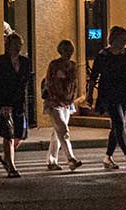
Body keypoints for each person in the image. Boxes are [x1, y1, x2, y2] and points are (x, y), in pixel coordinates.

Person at [89, 26, 126, 170]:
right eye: (121, 39)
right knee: (119, 122)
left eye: (125, 39)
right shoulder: (103, 55)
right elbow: (94, 76)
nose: (124, 42)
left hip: (123, 93)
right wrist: (89, 95)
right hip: (109, 93)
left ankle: (107, 157)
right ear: (113, 39)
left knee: (118, 127)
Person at [0, 32, 34, 178]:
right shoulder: (0, 62)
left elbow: (25, 81)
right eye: (15, 44)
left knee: (20, 134)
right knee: (7, 134)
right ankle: (11, 166)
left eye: (20, 44)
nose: (18, 47)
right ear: (8, 45)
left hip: (18, 102)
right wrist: (0, 103)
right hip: (3, 102)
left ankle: (5, 157)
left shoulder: (25, 62)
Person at [44, 39, 82, 171]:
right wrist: (56, 97)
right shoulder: (54, 65)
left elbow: (74, 84)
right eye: (66, 50)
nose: (69, 52)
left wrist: (72, 99)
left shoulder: (73, 65)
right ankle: (71, 158)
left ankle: (51, 160)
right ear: (60, 51)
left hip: (67, 102)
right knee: (63, 130)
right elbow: (49, 82)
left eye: (70, 50)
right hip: (54, 102)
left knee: (58, 132)